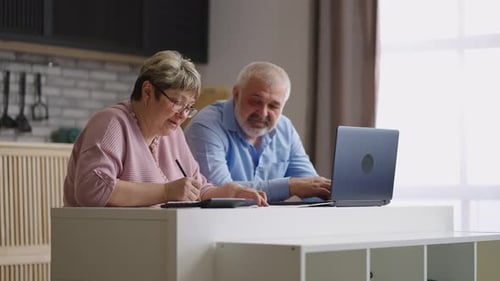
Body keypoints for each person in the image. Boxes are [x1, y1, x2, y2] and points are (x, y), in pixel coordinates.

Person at [63, 50, 267, 207]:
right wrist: (165, 192)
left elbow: (197, 190)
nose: (182, 115)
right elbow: (92, 189)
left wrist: (231, 192)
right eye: (177, 102)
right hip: (102, 241)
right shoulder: (111, 123)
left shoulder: (173, 134)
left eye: (188, 108)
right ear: (148, 91)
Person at [184, 61, 331, 202]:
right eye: (255, 102)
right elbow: (219, 191)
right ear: (236, 94)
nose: (263, 113)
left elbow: (312, 187)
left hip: (269, 224)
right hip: (220, 223)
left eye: (273, 106)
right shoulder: (206, 126)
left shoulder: (284, 128)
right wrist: (290, 186)